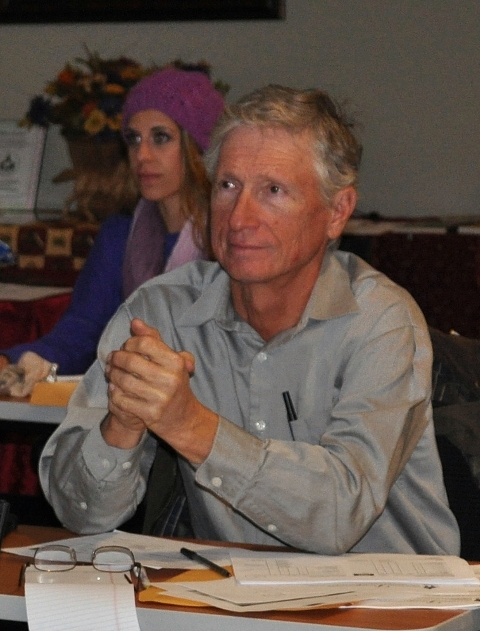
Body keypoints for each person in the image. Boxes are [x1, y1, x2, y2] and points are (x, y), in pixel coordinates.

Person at [39, 84, 460, 555]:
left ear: (337, 212)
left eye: (273, 191)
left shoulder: (380, 321)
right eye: (228, 186)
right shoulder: (160, 314)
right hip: (228, 589)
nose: (239, 218)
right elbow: (81, 516)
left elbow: (341, 514)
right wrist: (121, 424)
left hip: (389, 595)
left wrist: (191, 426)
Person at [0, 65, 224, 396]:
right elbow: (83, 330)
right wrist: (15, 361)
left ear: (199, 148)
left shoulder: (228, 236)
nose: (142, 155)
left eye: (160, 138)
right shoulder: (120, 233)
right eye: (133, 139)